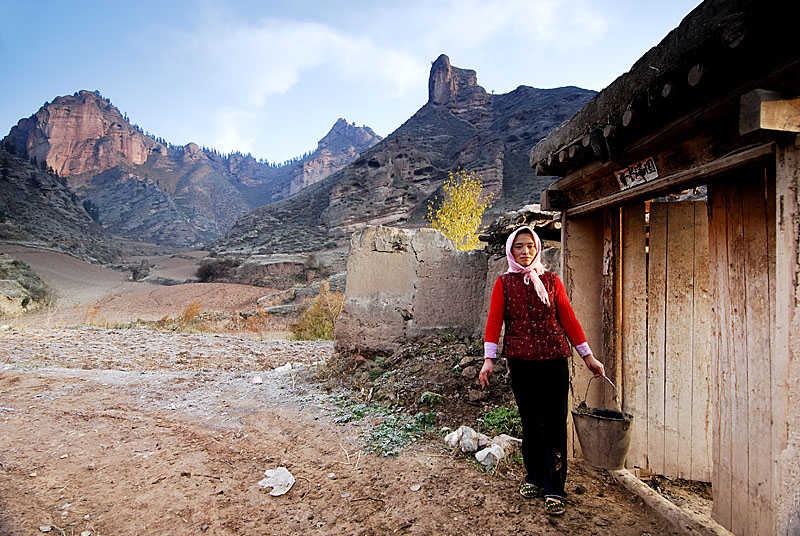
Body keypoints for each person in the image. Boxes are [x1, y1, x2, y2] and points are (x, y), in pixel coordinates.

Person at [479, 225, 604, 516]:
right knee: (531, 422)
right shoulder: (504, 283)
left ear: (538, 249)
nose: (525, 252)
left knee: (555, 423)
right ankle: (534, 477)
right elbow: (494, 322)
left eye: (531, 246)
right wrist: (489, 359)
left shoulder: (551, 281)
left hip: (554, 362)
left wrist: (587, 357)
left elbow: (569, 320)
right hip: (522, 365)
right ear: (511, 251)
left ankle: (555, 486)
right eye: (519, 247)